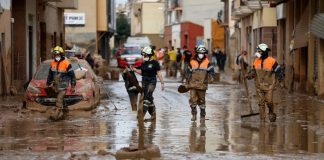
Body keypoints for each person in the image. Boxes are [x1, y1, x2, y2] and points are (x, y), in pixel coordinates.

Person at [245, 43, 284, 122]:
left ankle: (271, 112)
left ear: (265, 52)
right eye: (258, 51)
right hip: (259, 85)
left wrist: (280, 80)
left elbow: (279, 71)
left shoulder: (272, 61)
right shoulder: (256, 61)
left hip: (269, 86)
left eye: (260, 51)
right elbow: (253, 72)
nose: (258, 53)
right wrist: (248, 76)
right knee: (261, 103)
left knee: (269, 101)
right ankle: (262, 120)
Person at [131, 46, 165, 121]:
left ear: (149, 55)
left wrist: (162, 83)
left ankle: (141, 116)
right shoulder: (143, 63)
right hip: (144, 82)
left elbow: (158, 73)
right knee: (149, 98)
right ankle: (153, 115)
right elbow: (142, 72)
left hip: (152, 82)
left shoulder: (155, 63)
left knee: (147, 97)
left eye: (145, 55)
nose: (144, 57)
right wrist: (135, 70)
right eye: (143, 55)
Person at [186, 45, 216, 121]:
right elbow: (188, 73)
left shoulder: (207, 62)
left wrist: (211, 77)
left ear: (205, 53)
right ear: (197, 53)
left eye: (203, 53)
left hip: (202, 85)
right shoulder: (192, 62)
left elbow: (211, 72)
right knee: (192, 100)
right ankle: (194, 115)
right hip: (192, 85)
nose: (201, 54)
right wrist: (187, 81)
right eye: (200, 52)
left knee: (202, 101)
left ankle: (202, 115)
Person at [46, 46, 76, 120]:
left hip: (63, 86)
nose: (57, 56)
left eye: (58, 54)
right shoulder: (52, 63)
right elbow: (50, 75)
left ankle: (55, 116)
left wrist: (73, 86)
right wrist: (48, 83)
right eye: (55, 54)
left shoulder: (66, 63)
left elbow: (72, 75)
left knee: (59, 100)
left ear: (61, 54)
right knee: (61, 100)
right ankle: (65, 114)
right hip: (55, 86)